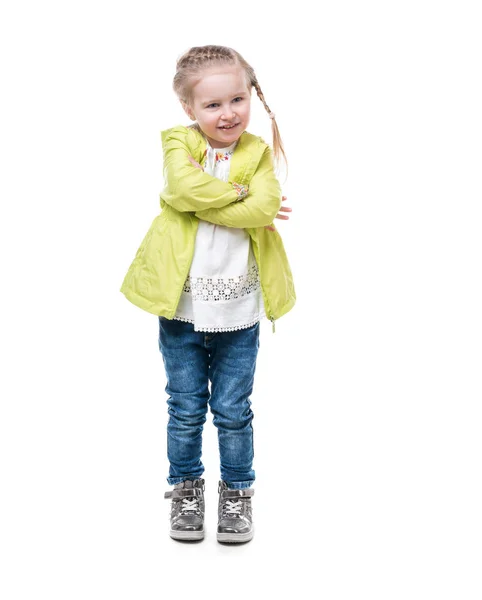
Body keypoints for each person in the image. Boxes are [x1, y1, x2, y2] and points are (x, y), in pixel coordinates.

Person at [120, 45, 295, 543]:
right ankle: (186, 488)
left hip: (239, 308)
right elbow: (181, 188)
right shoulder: (178, 142)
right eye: (213, 105)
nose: (228, 113)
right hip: (182, 303)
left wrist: (224, 201)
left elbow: (261, 207)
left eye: (237, 99)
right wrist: (241, 198)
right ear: (190, 109)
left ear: (250, 98)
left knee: (233, 410)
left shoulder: (257, 152)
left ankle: (237, 492)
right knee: (186, 404)